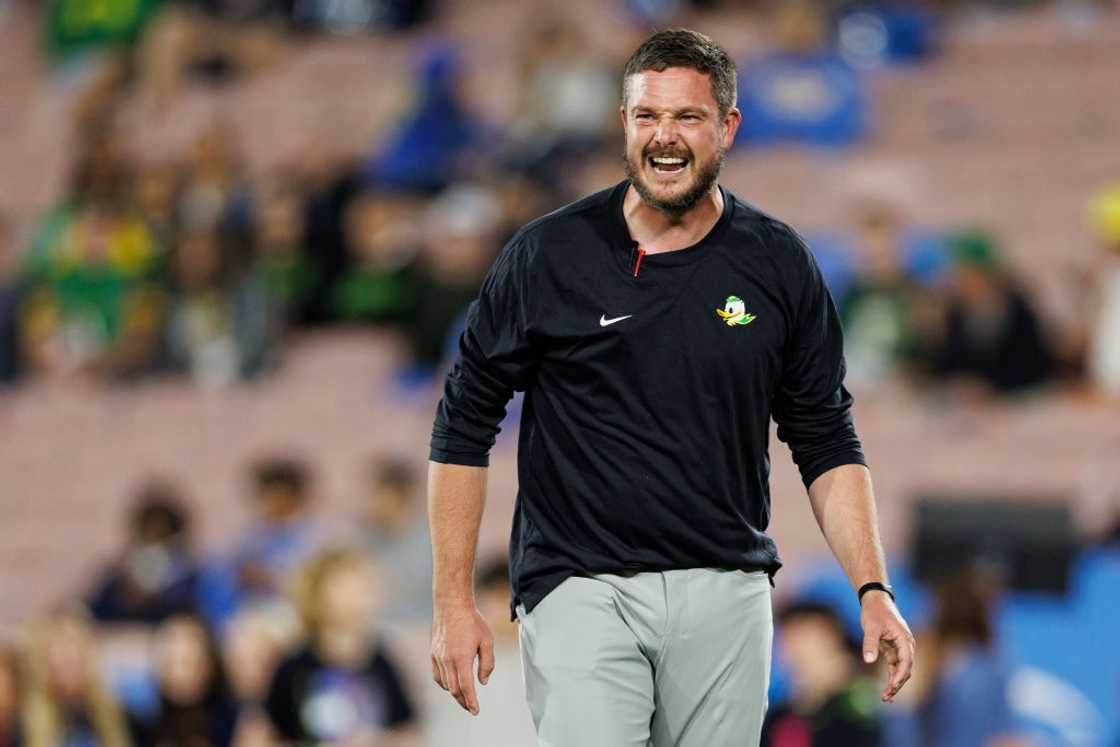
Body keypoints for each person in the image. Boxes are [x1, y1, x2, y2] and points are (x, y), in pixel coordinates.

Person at [427, 28, 914, 746]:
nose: (665, 137)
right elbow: (463, 424)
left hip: (727, 586)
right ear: (624, 124)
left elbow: (825, 435)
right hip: (579, 584)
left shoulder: (779, 264)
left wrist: (874, 588)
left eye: (687, 117)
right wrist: (451, 600)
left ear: (728, 127)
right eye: (648, 116)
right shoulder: (546, 255)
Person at [264, 548, 417, 745]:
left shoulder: (381, 659)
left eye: (365, 588)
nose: (359, 598)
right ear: (317, 594)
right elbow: (269, 735)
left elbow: (409, 731)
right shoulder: (293, 666)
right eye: (346, 587)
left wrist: (377, 741)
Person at [762, 601, 883, 746]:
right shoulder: (779, 717)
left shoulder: (865, 705)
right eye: (788, 641)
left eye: (805, 638)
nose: (794, 651)